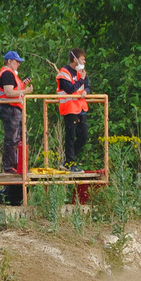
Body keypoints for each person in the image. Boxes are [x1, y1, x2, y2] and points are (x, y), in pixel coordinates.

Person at [55, 49, 91, 205]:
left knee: (83, 136)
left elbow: (87, 86)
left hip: (81, 108)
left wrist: (86, 91)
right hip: (69, 108)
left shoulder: (82, 73)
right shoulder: (64, 72)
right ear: (75, 59)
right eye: (82, 59)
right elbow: (69, 89)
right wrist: (81, 81)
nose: (84, 62)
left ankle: (69, 160)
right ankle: (70, 163)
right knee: (70, 137)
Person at [0, 50, 27, 206]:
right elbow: (8, 92)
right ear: (9, 61)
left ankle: (18, 165)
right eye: (16, 61)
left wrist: (22, 85)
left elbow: (13, 90)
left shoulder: (11, 74)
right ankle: (9, 167)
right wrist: (25, 91)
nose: (18, 64)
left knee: (20, 138)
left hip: (14, 108)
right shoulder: (7, 73)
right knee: (12, 138)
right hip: (9, 109)